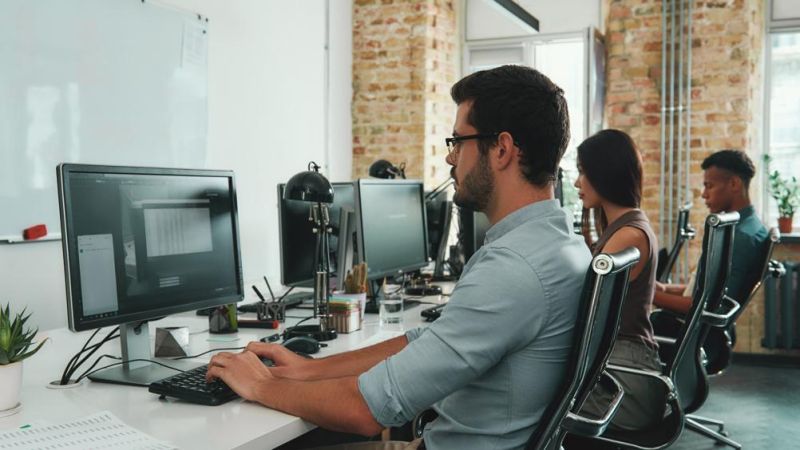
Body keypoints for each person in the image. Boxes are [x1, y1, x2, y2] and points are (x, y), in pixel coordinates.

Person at [205, 65, 591, 450]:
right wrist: (309, 370)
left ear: (502, 149)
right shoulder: (560, 245)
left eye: (458, 141)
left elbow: (366, 410)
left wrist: (262, 384)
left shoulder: (513, 267)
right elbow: (427, 342)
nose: (451, 159)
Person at [570, 129, 664, 431]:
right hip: (620, 369)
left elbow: (588, 310)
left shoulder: (628, 235)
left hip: (626, 384)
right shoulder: (627, 225)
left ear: (604, 173)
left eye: (583, 172)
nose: (576, 183)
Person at [654, 149, 768, 314]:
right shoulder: (750, 226)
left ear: (734, 184)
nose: (704, 194)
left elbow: (709, 308)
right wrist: (663, 288)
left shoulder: (740, 237)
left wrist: (646, 295)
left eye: (709, 186)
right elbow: (707, 291)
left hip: (699, 335)